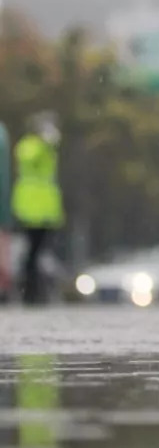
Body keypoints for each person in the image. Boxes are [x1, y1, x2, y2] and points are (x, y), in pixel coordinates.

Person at [12, 112, 65, 305]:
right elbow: (29, 158)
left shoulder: (49, 149)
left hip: (47, 210)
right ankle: (29, 292)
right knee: (32, 253)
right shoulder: (28, 146)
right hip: (30, 208)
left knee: (41, 252)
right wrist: (44, 142)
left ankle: (37, 291)